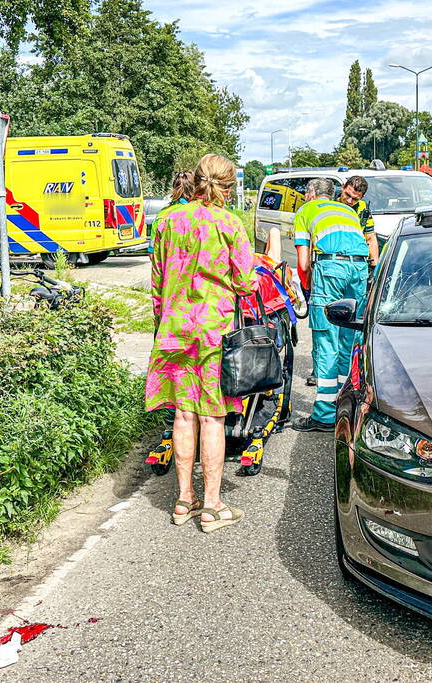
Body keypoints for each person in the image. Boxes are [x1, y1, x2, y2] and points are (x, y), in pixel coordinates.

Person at [146, 153, 256, 533]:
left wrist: (163, 320)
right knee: (212, 416)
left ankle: (183, 500)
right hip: (214, 332)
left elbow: (158, 283)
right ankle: (211, 507)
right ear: (228, 187)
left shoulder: (166, 221)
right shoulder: (229, 224)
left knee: (182, 415)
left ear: (194, 181)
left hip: (174, 329)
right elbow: (245, 281)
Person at [292, 177, 369, 432]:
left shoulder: (305, 211)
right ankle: (344, 406)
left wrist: (306, 290)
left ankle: (324, 415)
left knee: (326, 340)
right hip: (359, 269)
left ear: (311, 193)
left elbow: (303, 264)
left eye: (305, 193)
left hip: (331, 269)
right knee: (348, 339)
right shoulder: (348, 210)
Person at [337, 176, 380, 266]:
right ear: (342, 187)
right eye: (347, 195)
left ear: (362, 197)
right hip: (332, 259)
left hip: (355, 261)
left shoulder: (363, 207)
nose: (349, 201)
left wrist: (374, 266)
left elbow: (370, 238)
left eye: (355, 199)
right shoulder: (329, 204)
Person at [148, 172, 194, 254]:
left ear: (174, 188)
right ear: (195, 189)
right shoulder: (198, 215)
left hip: (167, 265)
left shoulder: (162, 215)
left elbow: (152, 252)